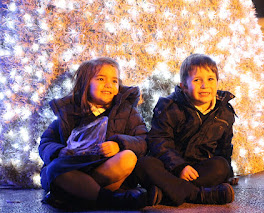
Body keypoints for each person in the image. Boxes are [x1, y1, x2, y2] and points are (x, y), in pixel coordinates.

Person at [38, 57, 148, 210]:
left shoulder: (127, 112)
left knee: (128, 157)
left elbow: (143, 140)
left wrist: (119, 144)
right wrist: (59, 151)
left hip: (106, 167)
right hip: (74, 168)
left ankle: (75, 194)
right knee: (54, 169)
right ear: (85, 83)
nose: (109, 84)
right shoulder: (69, 112)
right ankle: (108, 199)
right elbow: (46, 142)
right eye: (101, 79)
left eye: (114, 81)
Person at [135, 53, 238, 206]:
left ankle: (166, 193)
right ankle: (197, 195)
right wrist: (179, 167)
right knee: (144, 164)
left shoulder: (224, 111)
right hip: (170, 166)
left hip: (200, 169)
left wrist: (227, 174)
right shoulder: (169, 107)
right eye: (197, 80)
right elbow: (159, 141)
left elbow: (224, 147)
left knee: (220, 165)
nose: (205, 86)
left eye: (210, 79)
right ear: (183, 86)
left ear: (217, 83)